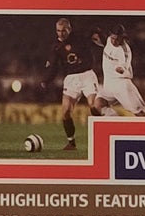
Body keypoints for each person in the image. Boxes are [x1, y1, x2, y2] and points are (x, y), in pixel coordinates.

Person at [42, 17, 105, 151]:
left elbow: (93, 30)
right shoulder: (56, 47)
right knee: (65, 112)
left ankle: (104, 136)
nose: (61, 33)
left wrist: (99, 35)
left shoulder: (80, 36)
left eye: (63, 31)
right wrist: (46, 81)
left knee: (94, 106)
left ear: (69, 29)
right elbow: (53, 67)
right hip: (71, 79)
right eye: (58, 31)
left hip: (87, 75)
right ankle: (71, 143)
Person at [98, 24, 145, 116]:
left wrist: (121, 69)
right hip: (109, 85)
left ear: (122, 37)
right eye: (112, 38)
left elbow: (123, 66)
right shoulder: (109, 40)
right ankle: (116, 122)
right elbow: (104, 42)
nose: (114, 41)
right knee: (98, 105)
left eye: (116, 39)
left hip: (121, 85)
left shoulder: (125, 51)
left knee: (139, 113)